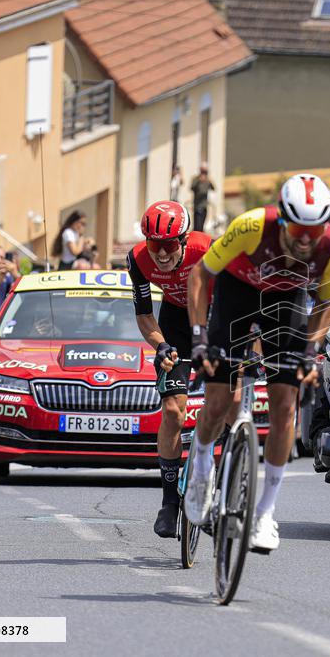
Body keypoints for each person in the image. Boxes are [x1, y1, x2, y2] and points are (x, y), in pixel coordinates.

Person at [185, 174, 330, 553]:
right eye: (298, 229)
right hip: (236, 292)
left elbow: (326, 303)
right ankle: (201, 469)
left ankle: (265, 512)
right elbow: (200, 274)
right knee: (218, 400)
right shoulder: (251, 226)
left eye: (315, 230)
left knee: (284, 407)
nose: (306, 239)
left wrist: (310, 351)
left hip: (286, 301)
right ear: (282, 219)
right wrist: (199, 338)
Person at [126, 201, 214, 538]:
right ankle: (169, 503)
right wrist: (160, 345)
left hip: (215, 317)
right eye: (154, 244)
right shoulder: (138, 260)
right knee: (173, 412)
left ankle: (217, 478)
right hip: (175, 322)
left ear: (184, 239)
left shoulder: (208, 250)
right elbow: (144, 315)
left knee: (225, 404)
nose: (162, 253)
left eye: (169, 244)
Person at [190, 163, 215, 232]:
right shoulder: (196, 179)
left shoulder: (208, 180)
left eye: (205, 172)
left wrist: (209, 180)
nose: (204, 173)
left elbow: (213, 188)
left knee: (201, 226)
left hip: (204, 206)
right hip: (197, 206)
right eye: (203, 171)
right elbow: (191, 188)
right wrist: (199, 180)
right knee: (197, 226)